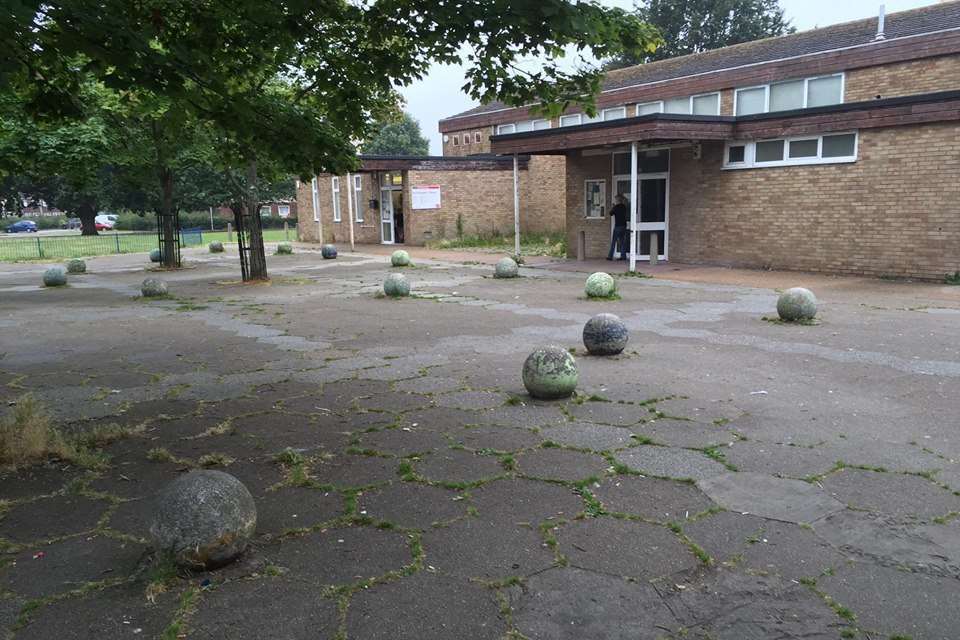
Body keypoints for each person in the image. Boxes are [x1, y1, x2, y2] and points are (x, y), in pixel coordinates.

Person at [607, 194, 629, 261]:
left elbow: (610, 213)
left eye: (616, 199)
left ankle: (610, 256)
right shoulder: (624, 207)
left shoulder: (616, 207)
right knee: (622, 241)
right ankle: (623, 256)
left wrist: (613, 207)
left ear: (618, 200)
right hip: (624, 226)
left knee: (614, 241)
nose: (615, 200)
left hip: (618, 226)